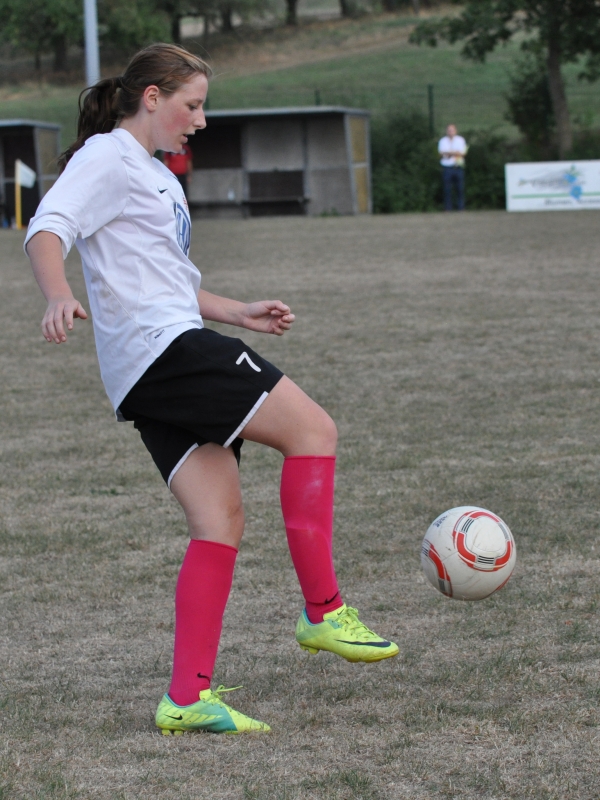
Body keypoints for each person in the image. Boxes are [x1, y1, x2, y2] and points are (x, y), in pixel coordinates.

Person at [24, 43, 398, 736]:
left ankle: (186, 698)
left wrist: (238, 312)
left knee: (218, 522)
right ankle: (323, 612)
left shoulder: (153, 173)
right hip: (165, 352)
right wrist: (56, 293)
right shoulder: (108, 156)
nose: (200, 119)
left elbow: (166, 282)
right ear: (152, 98)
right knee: (313, 431)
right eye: (192, 105)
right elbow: (48, 227)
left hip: (147, 367)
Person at [438, 124, 467, 211]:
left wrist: (449, 153)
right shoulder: (442, 141)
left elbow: (462, 153)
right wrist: (455, 153)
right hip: (447, 167)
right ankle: (448, 208)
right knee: (447, 189)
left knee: (460, 189)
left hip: (457, 167)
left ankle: (461, 208)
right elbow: (441, 153)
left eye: (452, 130)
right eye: (449, 130)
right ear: (446, 131)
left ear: (455, 131)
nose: (450, 132)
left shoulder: (460, 140)